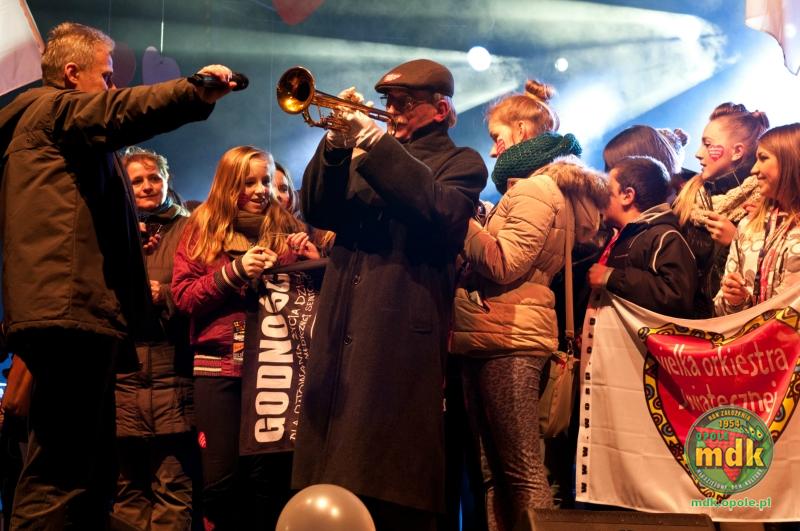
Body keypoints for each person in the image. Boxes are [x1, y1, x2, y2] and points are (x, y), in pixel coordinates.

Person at [0, 21, 235, 529]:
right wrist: (193, 91)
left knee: (81, 471)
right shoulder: (55, 109)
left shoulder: (40, 131)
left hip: (66, 312)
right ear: (71, 74)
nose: (111, 86)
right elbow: (123, 110)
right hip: (72, 316)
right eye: (105, 76)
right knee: (62, 473)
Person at [292, 58, 487, 530]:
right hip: (342, 324)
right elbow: (318, 209)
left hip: (399, 330)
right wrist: (334, 149)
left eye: (404, 103)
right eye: (389, 102)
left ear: (441, 109)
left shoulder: (463, 162)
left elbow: (438, 211)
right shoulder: (367, 158)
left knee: (388, 472)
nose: (392, 110)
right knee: (330, 461)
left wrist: (377, 145)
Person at [450, 79, 608, 531]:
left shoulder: (536, 191)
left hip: (512, 337)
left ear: (520, 131)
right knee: (495, 472)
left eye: (497, 137)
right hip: (495, 333)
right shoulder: (530, 190)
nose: (493, 150)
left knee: (520, 469)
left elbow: (504, 264)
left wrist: (460, 220)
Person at [171, 145, 316, 530]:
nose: (260, 190)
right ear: (227, 184)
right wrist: (233, 272)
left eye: (265, 181)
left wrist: (310, 258)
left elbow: (308, 301)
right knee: (221, 484)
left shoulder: (288, 227)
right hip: (218, 370)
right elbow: (183, 297)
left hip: (274, 369)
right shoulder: (201, 226)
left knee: (269, 483)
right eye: (248, 182)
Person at [111, 147, 197, 530]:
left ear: (166, 180)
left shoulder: (190, 229)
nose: (147, 186)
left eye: (154, 178)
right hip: (124, 378)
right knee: (127, 490)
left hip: (172, 372)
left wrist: (166, 295)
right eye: (137, 181)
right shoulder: (113, 231)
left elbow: (202, 291)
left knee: (172, 487)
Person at [672, 103, 769, 317]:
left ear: (737, 151)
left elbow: (773, 281)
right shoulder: (688, 198)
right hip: (686, 325)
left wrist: (737, 241)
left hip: (733, 326)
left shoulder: (766, 203)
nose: (698, 154)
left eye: (708, 144)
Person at [589, 156, 697, 317]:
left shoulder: (665, 237)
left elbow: (677, 295)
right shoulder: (623, 234)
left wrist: (611, 277)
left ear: (627, 196)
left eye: (607, 191)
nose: (601, 198)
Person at [715, 123, 800, 315]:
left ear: (791, 161)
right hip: (758, 334)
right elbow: (721, 308)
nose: (754, 169)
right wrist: (734, 300)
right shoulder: (749, 226)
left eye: (763, 158)